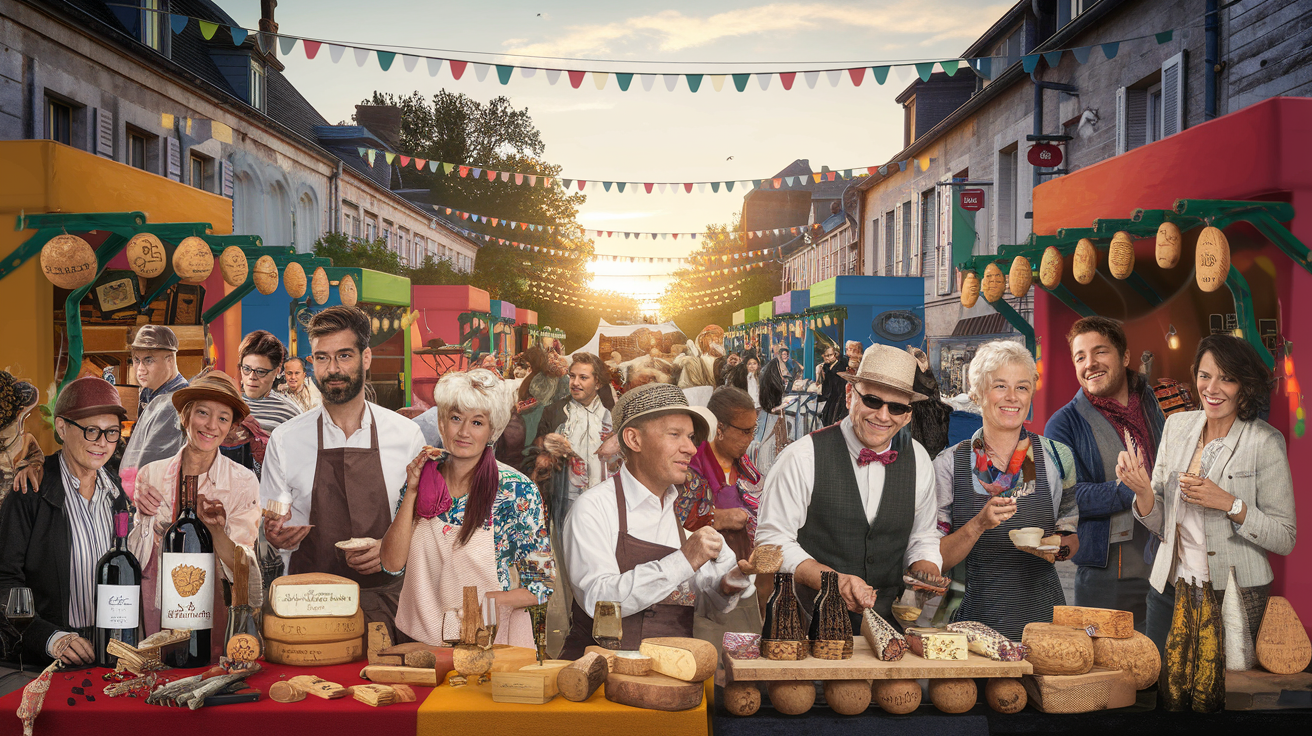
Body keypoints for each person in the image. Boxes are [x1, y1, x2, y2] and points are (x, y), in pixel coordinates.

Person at [1125, 336, 1296, 711]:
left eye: (1226, 379)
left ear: (1245, 386)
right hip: (1170, 586)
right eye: (1204, 376)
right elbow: (1160, 521)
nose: (1212, 389)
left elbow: (1285, 537)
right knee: (1160, 695)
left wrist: (1230, 503)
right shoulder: (1177, 427)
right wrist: (1142, 493)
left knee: (1218, 700)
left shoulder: (1264, 442)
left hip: (1232, 593)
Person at [260, 306, 426, 639]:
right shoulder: (286, 439)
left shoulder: (406, 436)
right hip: (308, 610)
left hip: (390, 606)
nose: (333, 369)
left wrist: (388, 548)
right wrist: (274, 537)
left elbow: (428, 524)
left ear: (366, 358)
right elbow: (272, 522)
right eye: (321, 358)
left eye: (344, 356)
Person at [559, 382, 754, 657]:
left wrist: (727, 585)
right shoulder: (593, 508)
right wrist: (683, 560)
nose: (691, 448)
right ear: (634, 439)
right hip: (602, 679)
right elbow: (599, 600)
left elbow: (704, 607)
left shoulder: (678, 512)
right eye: (675, 435)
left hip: (672, 679)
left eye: (690, 437)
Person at [756, 344, 943, 629]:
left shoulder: (918, 458)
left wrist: (926, 568)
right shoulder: (802, 457)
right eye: (871, 400)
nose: (883, 416)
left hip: (888, 623)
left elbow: (923, 536)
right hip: (809, 624)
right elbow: (773, 541)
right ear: (848, 396)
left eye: (896, 407)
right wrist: (834, 581)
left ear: (907, 415)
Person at [384, 370, 549, 647]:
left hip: (493, 643)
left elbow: (541, 586)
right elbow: (391, 565)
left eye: (476, 422)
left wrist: (484, 604)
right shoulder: (422, 479)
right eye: (456, 418)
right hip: (425, 644)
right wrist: (412, 491)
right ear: (441, 422)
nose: (463, 432)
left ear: (492, 429)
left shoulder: (516, 490)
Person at [933, 340, 1079, 640]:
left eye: (1022, 387)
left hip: (1042, 619)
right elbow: (934, 559)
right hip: (969, 620)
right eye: (1000, 386)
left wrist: (1057, 547)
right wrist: (978, 525)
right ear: (976, 394)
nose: (1012, 397)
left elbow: (1070, 533)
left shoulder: (1057, 457)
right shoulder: (948, 465)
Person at [1045, 317, 1167, 641]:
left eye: (1100, 352)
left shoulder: (1151, 401)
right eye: (1080, 357)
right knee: (1106, 677)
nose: (1090, 364)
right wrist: (1131, 488)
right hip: (1107, 574)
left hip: (1166, 565)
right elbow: (1066, 496)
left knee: (1161, 671)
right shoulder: (1063, 424)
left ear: (1125, 357)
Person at [127, 371, 262, 657]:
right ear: (185, 416)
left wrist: (215, 530)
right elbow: (136, 557)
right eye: (203, 412)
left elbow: (242, 568)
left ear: (230, 428)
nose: (212, 425)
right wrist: (143, 519)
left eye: (223, 418)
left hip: (212, 607)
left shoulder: (242, 481)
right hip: (157, 605)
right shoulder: (150, 474)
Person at [0, 377, 126, 667]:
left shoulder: (120, 495)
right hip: (48, 659)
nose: (102, 443)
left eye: (111, 433)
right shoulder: (31, 490)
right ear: (61, 427)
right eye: (91, 431)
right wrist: (50, 637)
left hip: (114, 652)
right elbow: (4, 579)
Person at [674, 387, 765, 651]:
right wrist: (719, 517)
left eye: (753, 430)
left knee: (745, 655)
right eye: (744, 431)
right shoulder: (693, 465)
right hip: (706, 583)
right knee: (709, 656)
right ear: (721, 428)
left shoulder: (746, 469)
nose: (749, 438)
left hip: (743, 577)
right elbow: (678, 518)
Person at [119, 326, 188, 496]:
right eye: (136, 360)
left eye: (149, 360)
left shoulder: (174, 403)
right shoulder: (149, 391)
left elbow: (155, 462)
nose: (140, 368)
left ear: (170, 360)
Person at [817, 344, 848, 427]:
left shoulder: (841, 367)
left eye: (830, 355)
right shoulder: (825, 367)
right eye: (825, 356)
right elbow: (826, 385)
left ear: (835, 355)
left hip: (840, 400)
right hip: (831, 398)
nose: (827, 358)